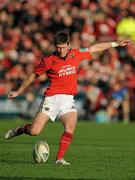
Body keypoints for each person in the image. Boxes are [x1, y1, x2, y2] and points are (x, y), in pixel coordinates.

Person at [5, 31, 130, 165]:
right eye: (58, 47)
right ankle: (20, 130)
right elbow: (33, 75)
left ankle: (59, 159)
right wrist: (18, 91)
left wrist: (115, 43)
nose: (61, 50)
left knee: (70, 127)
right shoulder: (48, 60)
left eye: (63, 47)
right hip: (51, 99)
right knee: (34, 131)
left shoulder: (75, 54)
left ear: (68, 45)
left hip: (68, 100)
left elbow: (94, 48)